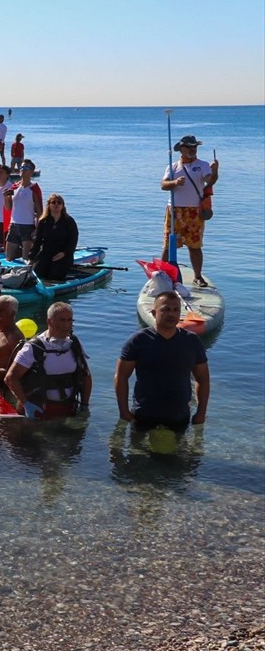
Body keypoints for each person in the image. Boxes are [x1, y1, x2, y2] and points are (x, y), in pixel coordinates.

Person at [115, 290, 209, 430]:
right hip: (144, 415)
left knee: (178, 452)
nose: (171, 314)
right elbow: (121, 376)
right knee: (137, 451)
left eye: (176, 310)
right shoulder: (138, 340)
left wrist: (201, 413)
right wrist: (124, 411)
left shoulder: (191, 341)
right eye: (165, 309)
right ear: (154, 313)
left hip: (179, 416)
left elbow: (202, 378)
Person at [7, 302, 91, 420]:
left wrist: (85, 406)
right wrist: (26, 404)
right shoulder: (33, 348)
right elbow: (11, 378)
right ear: (49, 321)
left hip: (67, 411)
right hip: (37, 411)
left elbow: (86, 376)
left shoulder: (74, 344)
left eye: (70, 320)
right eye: (62, 320)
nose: (66, 325)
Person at [161, 134, 219, 287]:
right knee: (168, 245)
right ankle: (162, 275)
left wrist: (215, 172)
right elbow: (163, 185)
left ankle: (197, 277)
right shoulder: (173, 166)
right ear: (181, 149)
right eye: (189, 147)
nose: (192, 150)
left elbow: (210, 181)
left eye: (195, 147)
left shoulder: (203, 165)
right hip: (174, 210)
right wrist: (175, 182)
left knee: (195, 246)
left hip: (194, 211)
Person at [29, 193, 79, 280]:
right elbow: (38, 240)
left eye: (59, 203)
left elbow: (73, 240)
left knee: (55, 275)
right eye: (53, 202)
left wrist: (64, 253)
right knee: (37, 274)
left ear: (62, 206)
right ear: (49, 205)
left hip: (62, 254)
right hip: (46, 252)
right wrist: (32, 257)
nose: (56, 204)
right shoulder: (43, 221)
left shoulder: (69, 221)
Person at [5, 160, 42, 261]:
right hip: (14, 225)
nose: (22, 170)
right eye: (21, 167)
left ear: (31, 171)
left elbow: (40, 211)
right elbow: (8, 208)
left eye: (25, 168)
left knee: (26, 258)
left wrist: (37, 229)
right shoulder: (15, 187)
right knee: (9, 258)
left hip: (27, 226)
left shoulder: (34, 188)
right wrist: (6, 197)